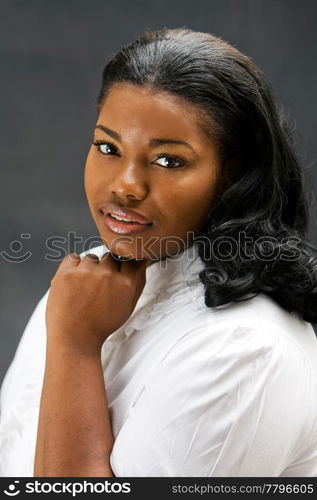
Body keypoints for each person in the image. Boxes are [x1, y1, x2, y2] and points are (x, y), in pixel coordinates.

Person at [0, 27, 317, 478]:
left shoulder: (245, 349)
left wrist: (75, 346)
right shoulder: (80, 289)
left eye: (168, 160)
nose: (125, 185)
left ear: (233, 173)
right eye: (108, 147)